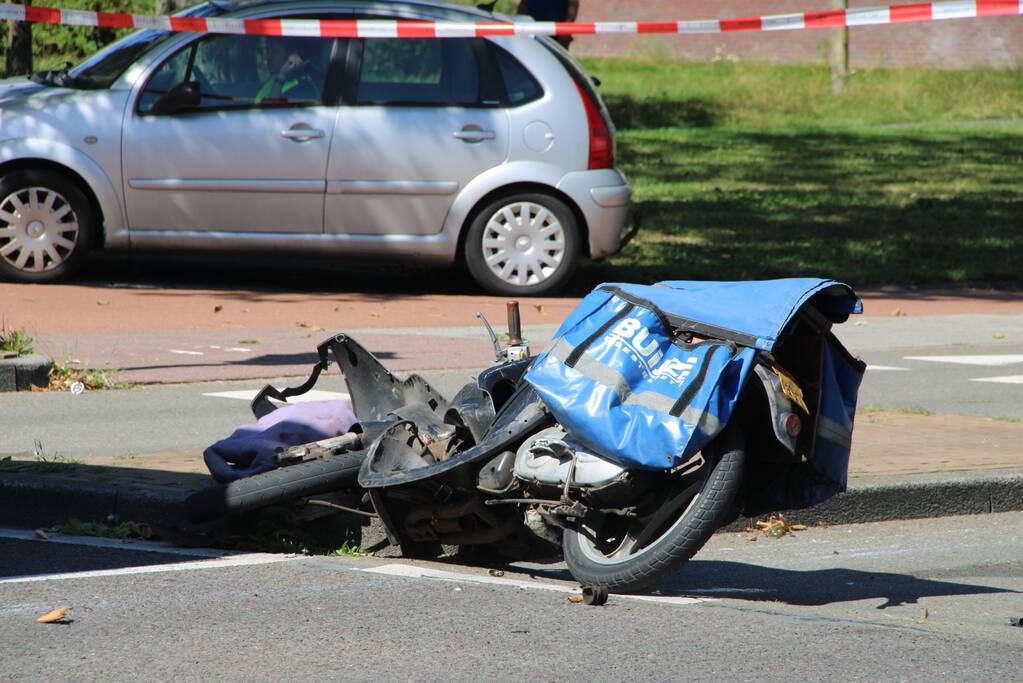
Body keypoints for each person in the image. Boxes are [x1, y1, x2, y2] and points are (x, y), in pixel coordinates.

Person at [256, 38, 321, 104]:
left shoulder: (304, 89)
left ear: (292, 56)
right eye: (267, 50)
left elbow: (271, 111)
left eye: (274, 52)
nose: (268, 57)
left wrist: (281, 78)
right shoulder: (273, 78)